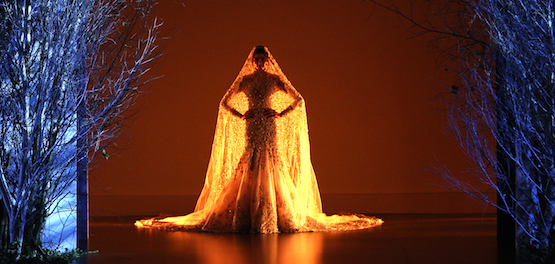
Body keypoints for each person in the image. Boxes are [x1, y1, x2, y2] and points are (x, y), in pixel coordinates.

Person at [136, 46, 381, 233]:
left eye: (264, 59)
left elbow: (299, 100)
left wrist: (280, 113)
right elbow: (224, 103)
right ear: (253, 61)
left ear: (268, 60)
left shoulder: (275, 80)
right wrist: (242, 114)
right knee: (250, 163)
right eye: (258, 59)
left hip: (269, 126)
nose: (261, 62)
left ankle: (274, 214)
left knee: (272, 164)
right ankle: (247, 214)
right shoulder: (245, 80)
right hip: (252, 126)